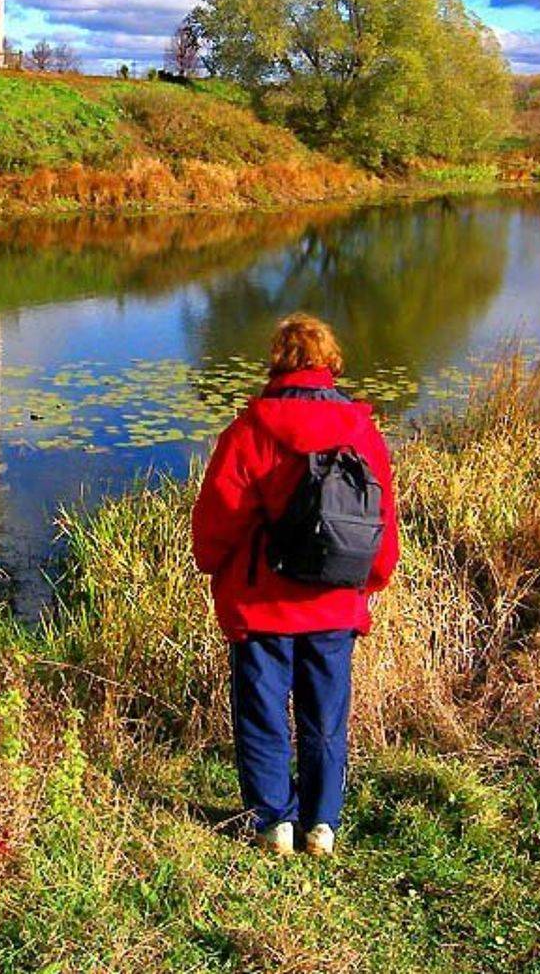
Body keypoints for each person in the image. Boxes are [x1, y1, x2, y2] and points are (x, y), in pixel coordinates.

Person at [191, 313, 398, 856]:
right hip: (334, 600)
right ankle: (321, 825)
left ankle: (273, 824)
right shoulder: (362, 431)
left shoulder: (249, 431)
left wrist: (210, 562)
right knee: (326, 716)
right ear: (329, 362)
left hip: (261, 605)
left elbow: (219, 517)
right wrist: (370, 582)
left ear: (277, 363)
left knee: (262, 714)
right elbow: (381, 519)